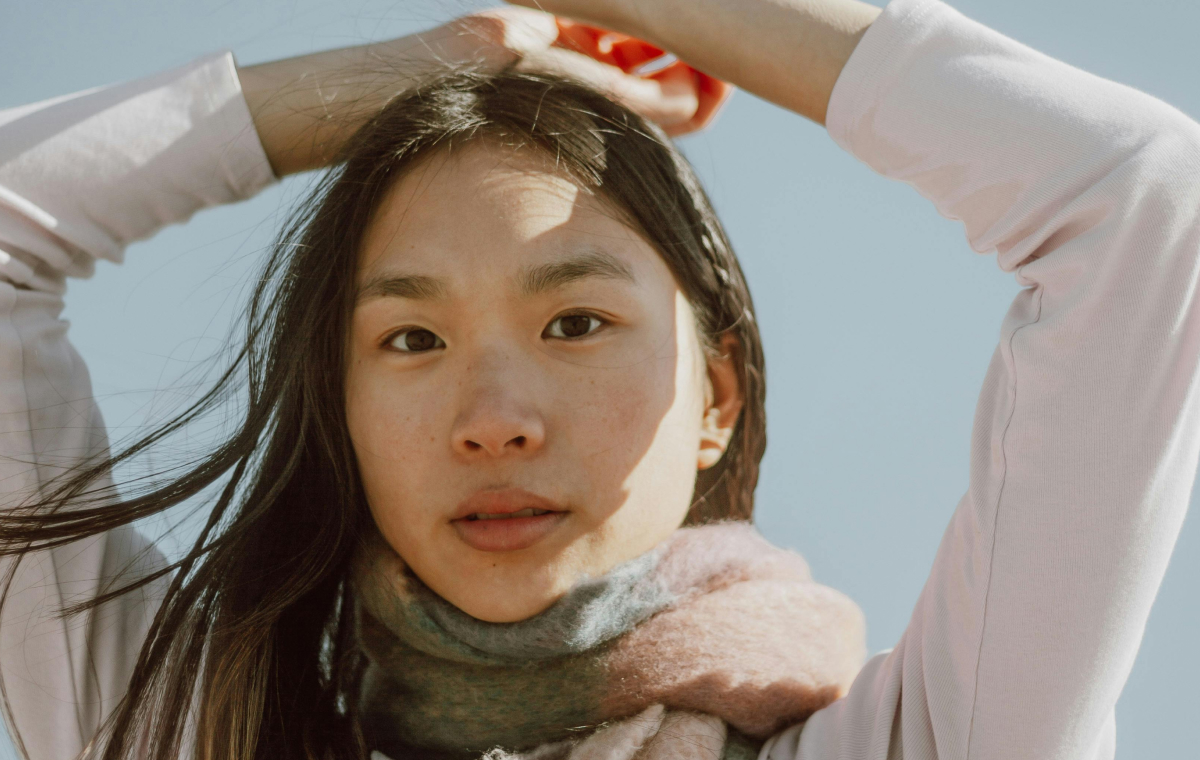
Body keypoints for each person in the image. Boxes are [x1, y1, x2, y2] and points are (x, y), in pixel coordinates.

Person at [0, 0, 1195, 758]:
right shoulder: (187, 733)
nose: (495, 423)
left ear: (717, 400)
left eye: (575, 320)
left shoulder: (937, 743)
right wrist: (414, 75)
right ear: (345, 411)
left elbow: (1139, 195)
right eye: (411, 341)